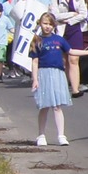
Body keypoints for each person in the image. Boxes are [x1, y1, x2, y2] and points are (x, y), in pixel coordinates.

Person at [30, 13, 72, 145]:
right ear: (40, 24)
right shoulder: (37, 40)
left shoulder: (59, 39)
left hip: (57, 73)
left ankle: (61, 135)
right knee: (44, 106)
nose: (47, 27)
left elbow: (70, 51)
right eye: (45, 23)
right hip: (44, 74)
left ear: (53, 25)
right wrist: (35, 79)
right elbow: (35, 62)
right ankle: (41, 135)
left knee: (57, 106)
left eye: (50, 24)